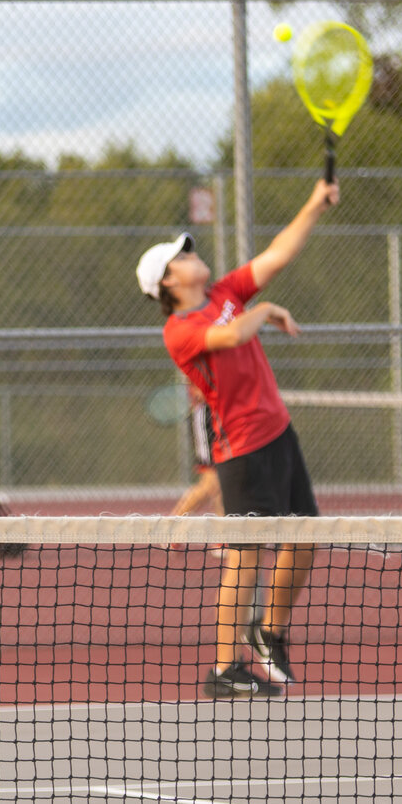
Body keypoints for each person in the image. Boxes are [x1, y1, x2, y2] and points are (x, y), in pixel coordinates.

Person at [136, 179, 339, 700]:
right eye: (180, 257)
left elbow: (278, 255)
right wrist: (267, 311)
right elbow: (230, 336)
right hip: (242, 450)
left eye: (189, 249)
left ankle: (268, 629)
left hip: (278, 433)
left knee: (305, 537)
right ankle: (225, 667)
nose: (191, 254)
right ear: (167, 283)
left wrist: (313, 204)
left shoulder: (226, 292)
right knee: (246, 554)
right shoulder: (179, 329)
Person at [169, 384, 223, 520]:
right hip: (207, 415)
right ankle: (171, 528)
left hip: (220, 416)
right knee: (211, 482)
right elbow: (200, 390)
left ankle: (222, 538)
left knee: (222, 488)